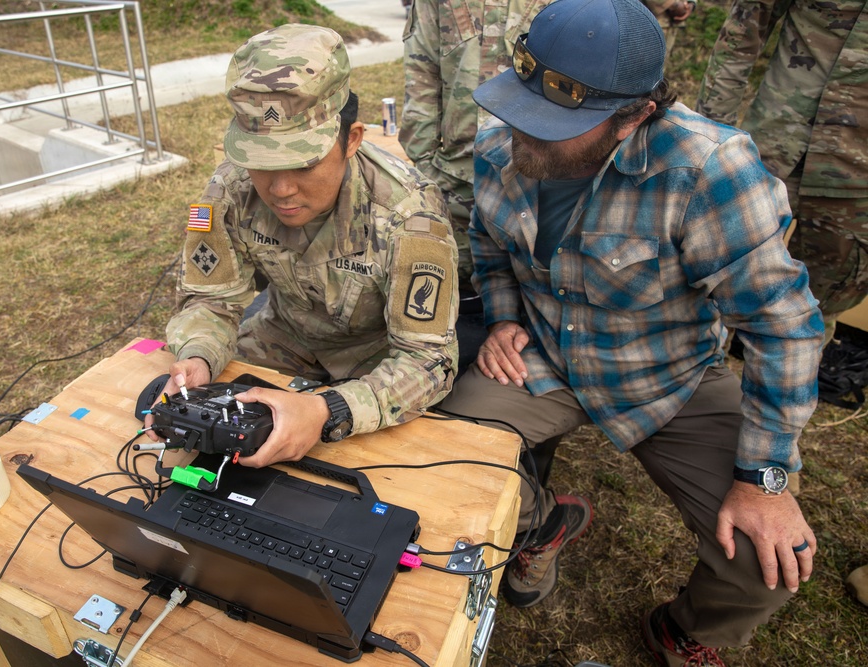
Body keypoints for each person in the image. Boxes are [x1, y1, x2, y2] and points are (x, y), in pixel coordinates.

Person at [436, 0, 824, 664]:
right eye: (522, 105)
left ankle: (685, 630)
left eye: (554, 124)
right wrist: (502, 315)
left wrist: (765, 478)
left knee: (770, 559)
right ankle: (542, 523)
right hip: (546, 357)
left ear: (634, 117)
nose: (521, 133)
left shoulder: (709, 169)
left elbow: (783, 329)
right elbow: (489, 244)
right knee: (441, 458)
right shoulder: (502, 141)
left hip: (669, 376)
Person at [147, 24, 460, 468]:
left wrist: (325, 409)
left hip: (378, 359)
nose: (281, 189)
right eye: (261, 163)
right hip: (286, 335)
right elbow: (211, 301)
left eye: (302, 163)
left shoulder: (411, 215)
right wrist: (198, 355)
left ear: (351, 140)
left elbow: (428, 361)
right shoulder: (229, 189)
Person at [695, 0, 868, 348]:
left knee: (817, 311)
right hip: (772, 147)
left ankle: (786, 397)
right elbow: (742, 32)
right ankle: (701, 390)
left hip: (857, 181)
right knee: (707, 284)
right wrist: (708, 135)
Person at [400, 0, 552, 369]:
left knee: (541, 295)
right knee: (456, 298)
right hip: (454, 178)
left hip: (543, 177)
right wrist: (428, 167)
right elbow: (421, 70)